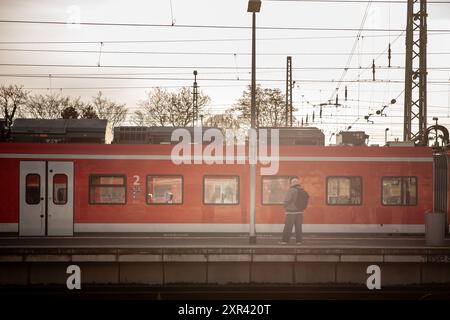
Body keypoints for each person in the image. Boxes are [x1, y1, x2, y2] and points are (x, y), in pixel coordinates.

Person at [279, 178, 309, 245]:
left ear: (292, 183)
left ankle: (285, 241)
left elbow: (287, 200)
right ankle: (299, 241)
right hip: (300, 212)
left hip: (291, 212)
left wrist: (284, 205)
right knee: (298, 227)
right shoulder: (302, 190)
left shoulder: (291, 190)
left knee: (288, 227)